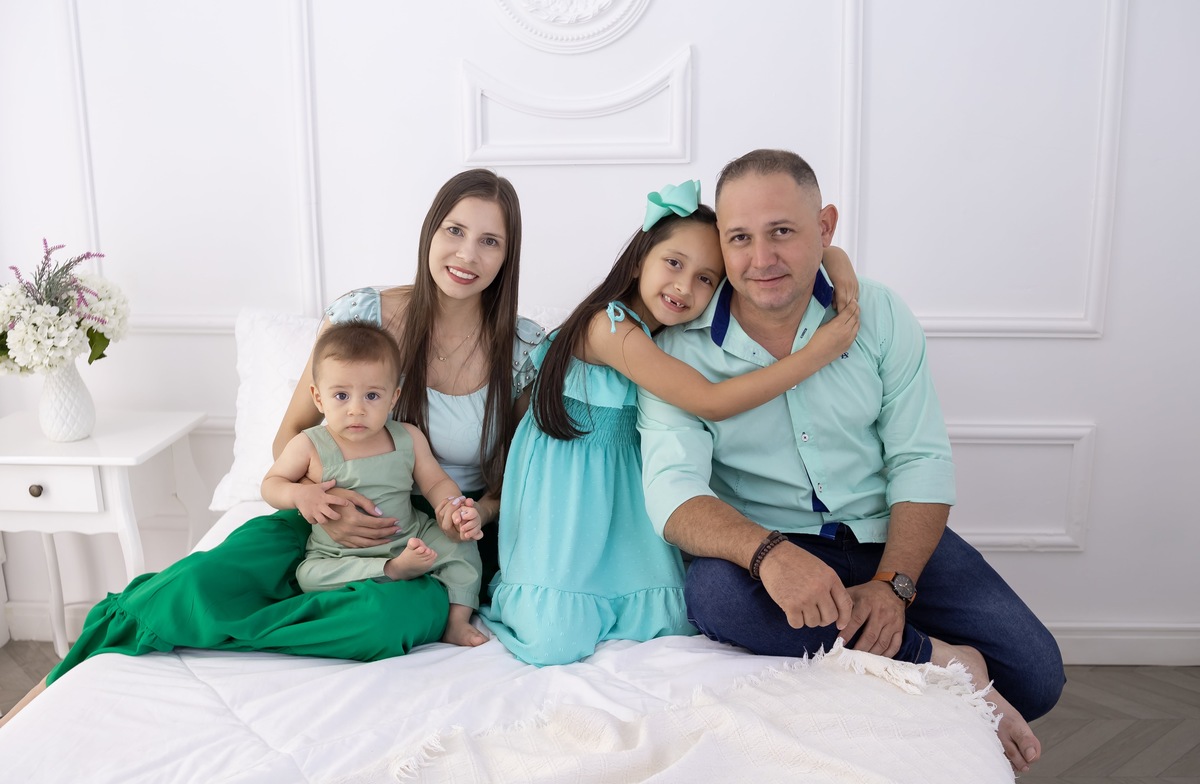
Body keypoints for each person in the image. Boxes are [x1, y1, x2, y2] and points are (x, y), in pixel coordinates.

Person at [0, 168, 542, 729]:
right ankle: (72, 668)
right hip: (323, 506)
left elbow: (521, 480)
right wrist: (318, 503)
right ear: (431, 231)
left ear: (508, 255)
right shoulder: (364, 316)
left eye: (489, 240)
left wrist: (472, 515)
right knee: (195, 582)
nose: (466, 253)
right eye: (454, 231)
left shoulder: (524, 350)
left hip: (425, 543)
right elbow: (291, 436)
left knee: (379, 622)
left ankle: (241, 631)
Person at [637, 150, 1064, 774]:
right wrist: (770, 555)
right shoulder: (676, 348)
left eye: (782, 231)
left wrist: (894, 587)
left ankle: (888, 643)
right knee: (716, 597)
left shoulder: (879, 313)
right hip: (774, 548)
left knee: (1036, 675)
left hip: (884, 534)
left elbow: (921, 459)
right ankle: (935, 660)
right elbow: (671, 492)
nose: (762, 259)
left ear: (825, 228)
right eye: (740, 239)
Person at [481, 180, 860, 666]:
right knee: (554, 639)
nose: (684, 287)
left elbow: (778, 262)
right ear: (640, 258)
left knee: (663, 624)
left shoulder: (667, 342)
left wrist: (837, 259)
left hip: (622, 500)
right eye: (674, 264)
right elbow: (709, 400)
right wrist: (815, 355)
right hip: (567, 498)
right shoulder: (608, 325)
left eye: (706, 278)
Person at [264, 320, 487, 647]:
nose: (357, 409)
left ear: (393, 396)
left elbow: (436, 481)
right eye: (341, 395)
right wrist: (299, 493)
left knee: (461, 546)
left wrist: (452, 508)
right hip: (338, 552)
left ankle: (456, 620)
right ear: (318, 397)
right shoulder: (309, 444)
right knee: (308, 575)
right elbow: (270, 485)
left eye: (372, 395)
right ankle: (393, 570)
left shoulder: (406, 437)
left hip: (409, 534)